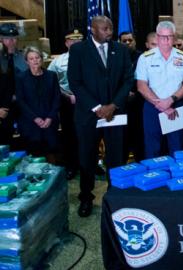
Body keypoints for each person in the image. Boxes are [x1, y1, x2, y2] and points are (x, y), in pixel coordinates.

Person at [68, 16, 134, 217]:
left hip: (115, 114)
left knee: (116, 157)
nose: (109, 32)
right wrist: (97, 107)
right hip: (89, 115)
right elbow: (75, 82)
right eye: (105, 29)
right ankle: (86, 198)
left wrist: (113, 105)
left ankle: (113, 196)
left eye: (111, 28)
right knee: (87, 158)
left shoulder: (121, 50)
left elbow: (128, 80)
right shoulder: (78, 50)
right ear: (93, 30)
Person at [136, 21, 183, 158]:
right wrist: (162, 105)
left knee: (178, 149)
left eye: (169, 36)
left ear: (174, 37)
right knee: (153, 149)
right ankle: (155, 179)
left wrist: (170, 100)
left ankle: (176, 179)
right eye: (163, 37)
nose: (166, 40)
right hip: (153, 107)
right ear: (157, 37)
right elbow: (141, 86)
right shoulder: (145, 58)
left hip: (177, 106)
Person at [47, 28, 83, 180]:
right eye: (72, 40)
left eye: (78, 40)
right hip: (67, 102)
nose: (75, 43)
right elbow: (50, 82)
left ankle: (91, 165)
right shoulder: (58, 61)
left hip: (87, 102)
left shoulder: (91, 58)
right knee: (69, 135)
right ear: (66, 43)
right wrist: (66, 95)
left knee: (89, 135)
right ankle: (72, 165)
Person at [16, 47, 60, 160]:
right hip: (30, 123)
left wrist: (50, 118)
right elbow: (21, 101)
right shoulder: (21, 78)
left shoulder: (51, 76)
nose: (35, 61)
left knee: (52, 151)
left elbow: (56, 98)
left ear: (41, 59)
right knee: (34, 154)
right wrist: (35, 118)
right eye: (31, 59)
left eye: (37, 57)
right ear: (27, 61)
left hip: (49, 121)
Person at [0, 23, 27, 146]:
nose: (11, 42)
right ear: (1, 39)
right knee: (5, 140)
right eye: (7, 39)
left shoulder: (23, 57)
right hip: (3, 107)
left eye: (14, 38)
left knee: (26, 138)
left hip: (23, 105)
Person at [119, 31, 144, 162]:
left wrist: (136, 92)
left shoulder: (143, 57)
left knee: (139, 138)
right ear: (119, 42)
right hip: (120, 105)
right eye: (124, 41)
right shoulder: (115, 56)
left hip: (139, 104)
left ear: (135, 41)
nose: (128, 43)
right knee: (122, 140)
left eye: (130, 40)